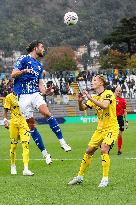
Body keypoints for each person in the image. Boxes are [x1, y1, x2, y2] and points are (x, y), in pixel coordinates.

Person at [11, 40, 71, 164]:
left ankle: (62, 142)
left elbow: (40, 85)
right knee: (31, 125)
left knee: (47, 113)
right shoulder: (23, 59)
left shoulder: (39, 65)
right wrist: (24, 71)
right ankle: (45, 154)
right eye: (42, 47)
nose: (43, 49)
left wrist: (46, 91)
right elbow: (13, 74)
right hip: (22, 96)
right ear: (35, 48)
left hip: (34, 93)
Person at [68, 75, 119, 187]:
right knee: (89, 151)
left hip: (111, 128)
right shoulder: (95, 97)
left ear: (101, 83)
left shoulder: (108, 93)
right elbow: (82, 108)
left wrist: (89, 98)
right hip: (100, 129)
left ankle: (105, 179)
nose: (92, 82)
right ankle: (80, 176)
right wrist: (79, 101)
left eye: (94, 80)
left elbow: (105, 105)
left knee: (104, 149)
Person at [3, 92, 34, 176]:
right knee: (13, 146)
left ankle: (26, 169)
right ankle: (13, 165)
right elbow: (6, 109)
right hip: (14, 123)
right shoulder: (9, 97)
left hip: (24, 123)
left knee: (25, 144)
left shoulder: (25, 96)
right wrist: (5, 120)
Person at [114, 86, 128, 155]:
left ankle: (119, 150)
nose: (118, 92)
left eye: (120, 91)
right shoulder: (111, 99)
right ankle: (106, 148)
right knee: (110, 135)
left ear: (121, 92)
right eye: (117, 91)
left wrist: (127, 121)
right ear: (115, 91)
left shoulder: (123, 100)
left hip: (120, 118)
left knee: (119, 135)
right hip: (112, 119)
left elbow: (125, 111)